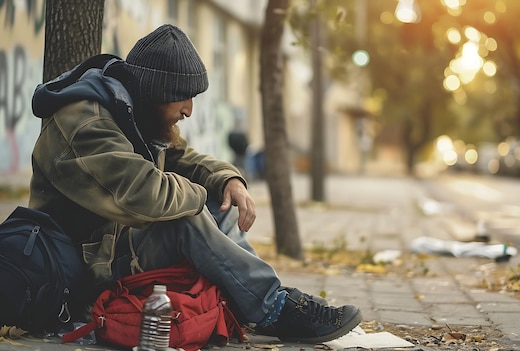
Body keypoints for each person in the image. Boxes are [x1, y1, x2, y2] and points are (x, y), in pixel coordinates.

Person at [28, 24, 361, 343]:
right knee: (187, 215)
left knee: (219, 201)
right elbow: (146, 195)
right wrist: (201, 196)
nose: (188, 110)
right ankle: (273, 308)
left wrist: (226, 180)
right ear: (154, 92)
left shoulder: (131, 111)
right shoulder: (86, 125)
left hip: (114, 246)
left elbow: (181, 158)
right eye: (181, 98)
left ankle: (258, 302)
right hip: (79, 271)